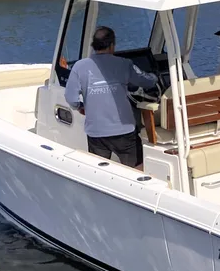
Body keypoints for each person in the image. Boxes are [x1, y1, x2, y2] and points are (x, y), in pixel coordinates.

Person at [65, 26, 158, 169]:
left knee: (99, 170)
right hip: (124, 132)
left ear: (94, 46)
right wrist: (155, 77)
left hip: (96, 133)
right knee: (137, 169)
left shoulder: (79, 66)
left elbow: (71, 97)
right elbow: (147, 81)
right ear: (111, 46)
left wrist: (81, 107)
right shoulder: (124, 64)